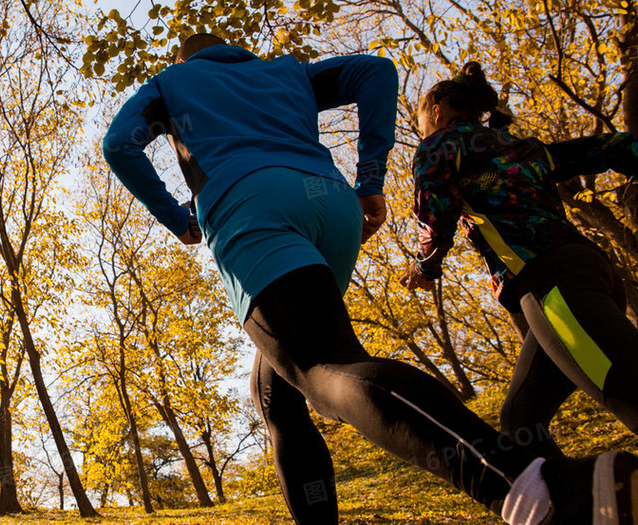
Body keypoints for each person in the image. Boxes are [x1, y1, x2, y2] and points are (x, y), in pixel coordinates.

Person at [102, 32, 638, 525]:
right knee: (278, 391)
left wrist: (179, 218)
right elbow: (376, 72)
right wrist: (370, 177)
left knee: (321, 364)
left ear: (183, 59)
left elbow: (119, 144)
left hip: (253, 208)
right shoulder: (285, 71)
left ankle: (539, 489)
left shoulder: (169, 84)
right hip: (330, 206)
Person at [400, 61, 638, 461]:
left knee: (630, 389)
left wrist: (423, 267)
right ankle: (578, 504)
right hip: (588, 275)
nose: (423, 131)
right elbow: (612, 148)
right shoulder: (523, 148)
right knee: (520, 421)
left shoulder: (440, 146)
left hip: (553, 288)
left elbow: (435, 218)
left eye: (422, 122)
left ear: (437, 112)